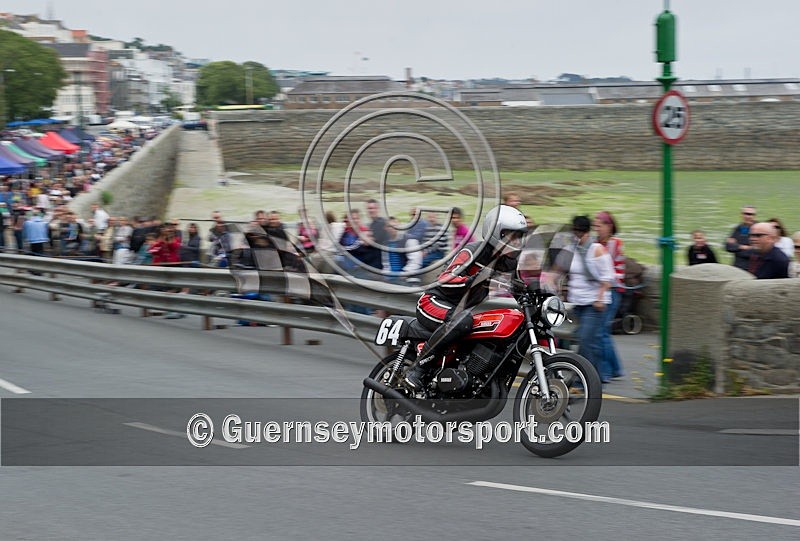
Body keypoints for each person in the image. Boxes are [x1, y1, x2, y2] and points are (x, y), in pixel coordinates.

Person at [404, 205, 527, 390]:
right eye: (511, 235)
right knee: (463, 321)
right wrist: (475, 280)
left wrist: (540, 299)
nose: (516, 241)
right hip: (434, 303)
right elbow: (445, 280)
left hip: (459, 311)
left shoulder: (508, 262)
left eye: (519, 236)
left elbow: (520, 290)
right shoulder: (472, 251)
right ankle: (418, 368)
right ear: (496, 233)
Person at [567, 215, 615, 383]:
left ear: (587, 232)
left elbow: (608, 278)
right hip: (577, 303)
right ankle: (598, 378)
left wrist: (600, 298)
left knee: (586, 341)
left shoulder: (597, 250)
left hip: (594, 304)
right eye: (575, 232)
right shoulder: (571, 249)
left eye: (580, 233)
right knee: (590, 343)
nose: (577, 236)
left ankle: (583, 382)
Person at [594, 211, 625, 380]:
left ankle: (604, 372)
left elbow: (608, 271)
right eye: (595, 226)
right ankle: (616, 368)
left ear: (609, 226)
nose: (596, 229)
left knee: (602, 331)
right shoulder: (597, 243)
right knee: (604, 330)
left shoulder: (614, 244)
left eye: (599, 226)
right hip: (603, 289)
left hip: (612, 290)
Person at [725, 205, 757, 270]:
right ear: (741, 215)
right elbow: (728, 246)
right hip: (737, 266)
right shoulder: (738, 228)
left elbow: (756, 251)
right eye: (746, 214)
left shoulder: (759, 228)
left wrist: (737, 246)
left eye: (751, 214)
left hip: (752, 267)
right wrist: (743, 247)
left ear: (754, 216)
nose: (748, 216)